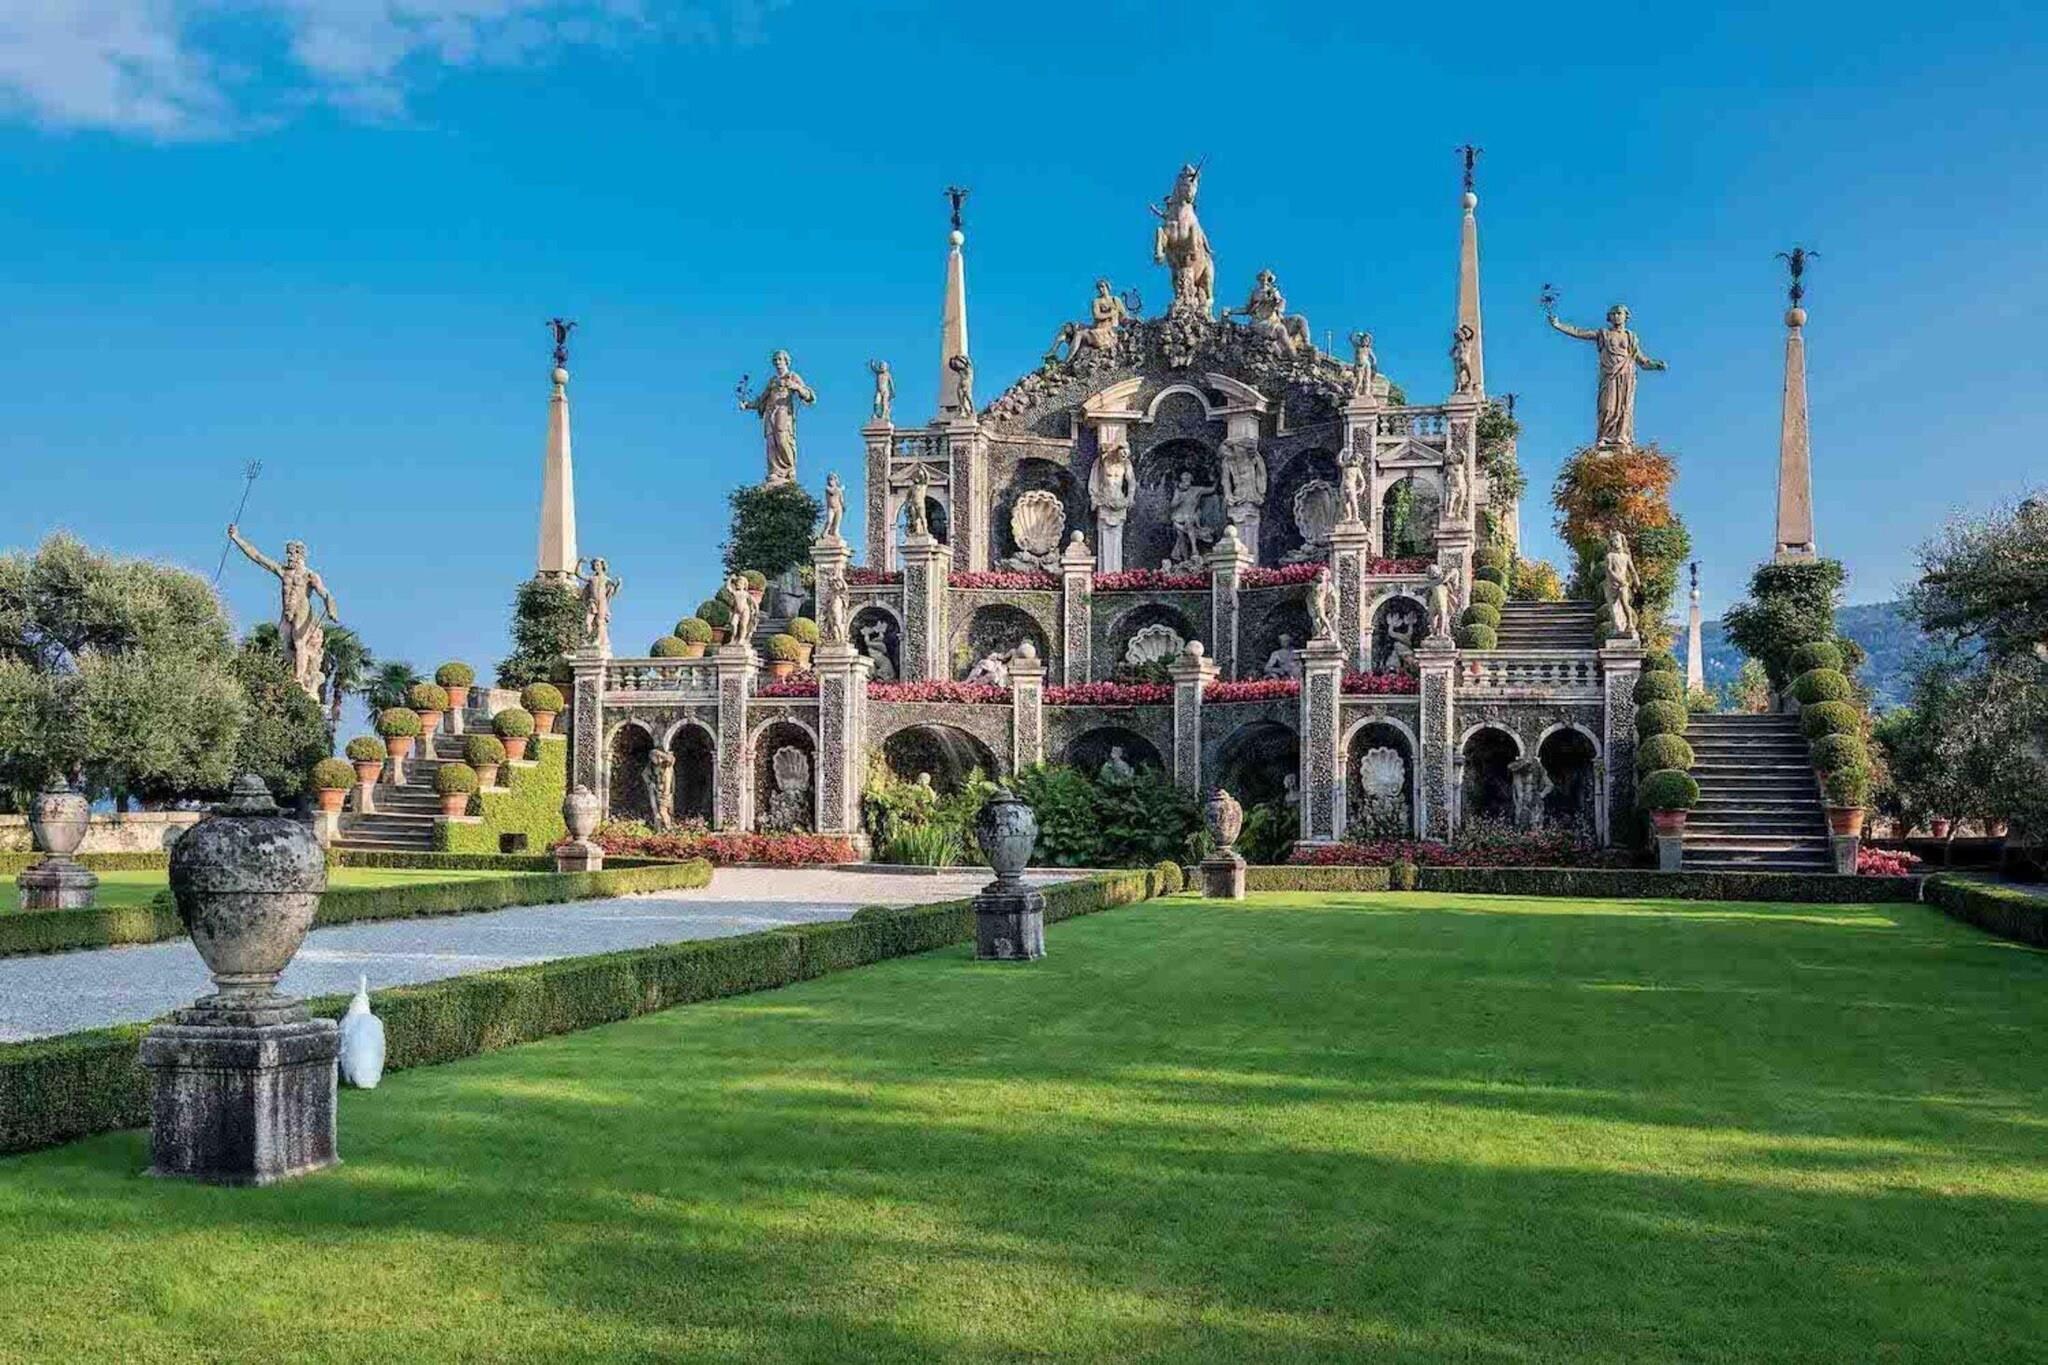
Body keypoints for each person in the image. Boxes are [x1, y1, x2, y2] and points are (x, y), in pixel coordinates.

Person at [227, 523, 338, 700]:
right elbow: (257, 557)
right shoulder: (283, 571)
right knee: (284, 645)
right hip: (286, 612)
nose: (289, 557)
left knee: (299, 643)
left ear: (300, 555)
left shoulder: (310, 575)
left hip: (302, 611)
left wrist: (330, 607)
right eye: (288, 554)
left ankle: (299, 678)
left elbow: (324, 593)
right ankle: (291, 673)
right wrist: (236, 538)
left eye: (292, 554)